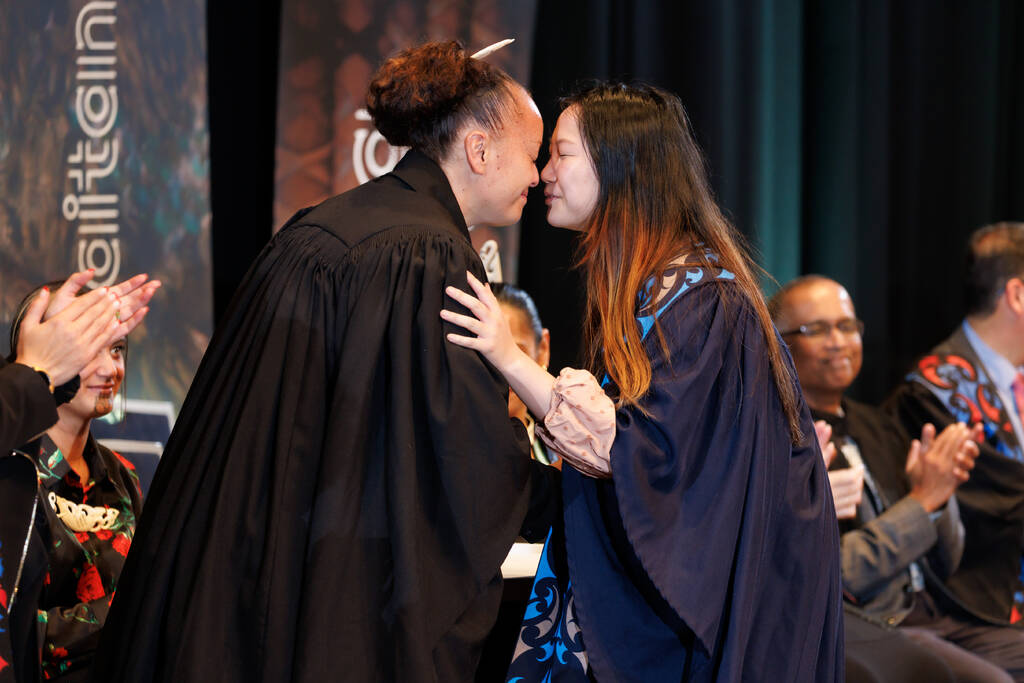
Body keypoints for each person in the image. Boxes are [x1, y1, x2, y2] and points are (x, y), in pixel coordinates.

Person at [93, 40, 545, 683]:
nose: (537, 176)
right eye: (531, 156)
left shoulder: (318, 226)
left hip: (231, 568)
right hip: (329, 594)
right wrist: (569, 490)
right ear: (479, 151)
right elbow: (454, 454)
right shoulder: (432, 257)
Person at [442, 83, 842, 681]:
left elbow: (641, 457)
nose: (544, 171)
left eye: (562, 152)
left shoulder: (702, 304)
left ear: (620, 164)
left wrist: (509, 355)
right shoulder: (655, 293)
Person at [771, 275, 1024, 682]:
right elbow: (839, 572)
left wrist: (941, 498)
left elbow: (945, 560)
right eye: (816, 330)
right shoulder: (785, 440)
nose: (838, 341)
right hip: (873, 624)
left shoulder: (879, 425)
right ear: (777, 344)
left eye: (847, 326)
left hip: (940, 613)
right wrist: (921, 503)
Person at [0, 271, 157, 683]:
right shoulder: (11, 471)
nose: (111, 368)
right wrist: (126, 616)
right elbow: (16, 633)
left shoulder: (123, 477)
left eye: (118, 349)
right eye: (90, 348)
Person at [886, 223, 1024, 674]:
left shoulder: (1015, 379)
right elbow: (992, 506)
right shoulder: (936, 388)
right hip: (975, 602)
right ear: (1017, 296)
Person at [491, 283, 557, 467]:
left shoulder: (567, 452)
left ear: (543, 349)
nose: (499, 373)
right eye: (485, 357)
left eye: (514, 353)